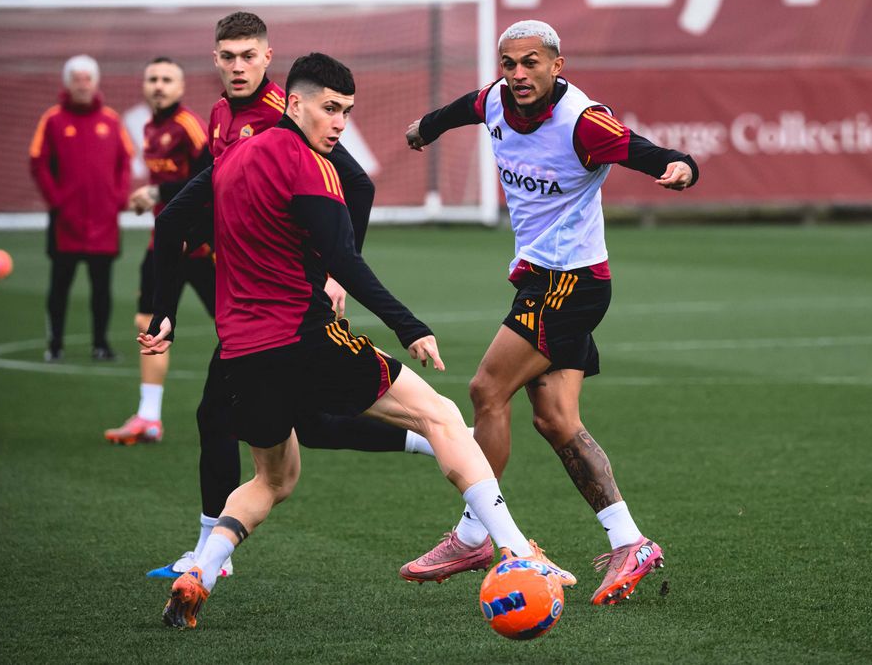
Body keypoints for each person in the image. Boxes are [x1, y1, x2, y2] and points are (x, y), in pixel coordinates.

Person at [141, 52, 572, 629]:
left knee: (274, 479)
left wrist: (165, 310)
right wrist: (408, 324)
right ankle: (519, 551)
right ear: (294, 103)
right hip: (306, 337)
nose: (339, 122)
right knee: (441, 415)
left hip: (240, 356)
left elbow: (169, 222)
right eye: (329, 109)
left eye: (346, 111)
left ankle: (201, 570)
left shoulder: (232, 157)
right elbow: (344, 258)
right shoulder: (312, 167)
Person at [401, 19, 698, 605]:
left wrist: (684, 167)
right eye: (508, 64)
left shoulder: (584, 124)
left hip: (571, 283)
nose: (517, 75)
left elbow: (649, 151)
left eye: (530, 63)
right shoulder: (495, 99)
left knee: (487, 389)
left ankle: (473, 535)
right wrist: (424, 128)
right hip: (542, 280)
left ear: (557, 65)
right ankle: (630, 540)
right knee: (556, 420)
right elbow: (467, 105)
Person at [146, 12, 449, 581]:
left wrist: (333, 273)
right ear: (215, 58)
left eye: (248, 56)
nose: (238, 66)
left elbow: (357, 185)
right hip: (245, 291)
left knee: (222, 416)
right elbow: (180, 214)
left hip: (283, 303)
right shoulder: (219, 115)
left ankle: (209, 555)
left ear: (268, 59)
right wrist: (163, 308)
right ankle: (433, 439)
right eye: (228, 56)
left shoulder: (294, 115)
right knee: (295, 424)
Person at [104, 57, 212, 444]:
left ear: (181, 87)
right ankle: (149, 417)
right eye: (153, 78)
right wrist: (149, 198)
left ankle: (285, 404)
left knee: (238, 327)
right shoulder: (151, 127)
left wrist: (158, 192)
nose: (159, 85)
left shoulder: (189, 125)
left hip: (201, 246)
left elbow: (211, 174)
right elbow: (169, 180)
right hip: (161, 245)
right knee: (148, 326)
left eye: (168, 79)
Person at [29, 54, 134, 362]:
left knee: (101, 289)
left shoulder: (111, 120)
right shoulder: (52, 119)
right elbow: (38, 162)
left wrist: (118, 198)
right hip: (66, 223)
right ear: (67, 83)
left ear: (96, 83)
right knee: (59, 287)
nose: (83, 85)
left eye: (88, 79)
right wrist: (57, 200)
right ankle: (55, 345)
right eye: (77, 79)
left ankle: (100, 344)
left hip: (104, 223)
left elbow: (125, 160)